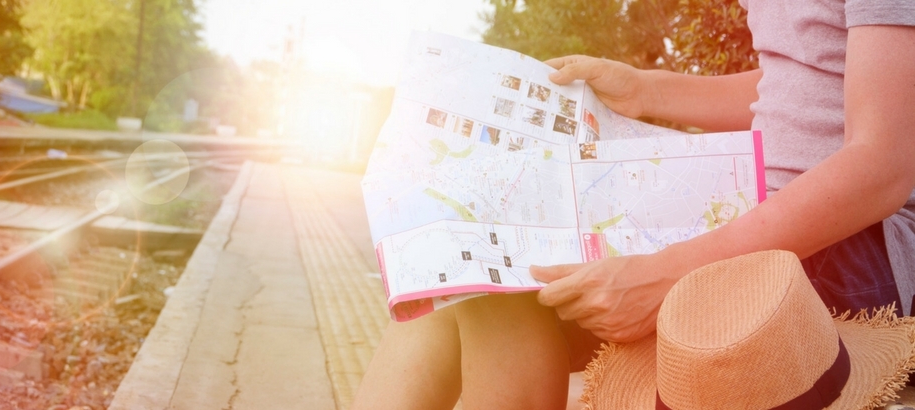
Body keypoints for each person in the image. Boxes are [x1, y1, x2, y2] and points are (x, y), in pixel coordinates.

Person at [353, 0, 915, 408]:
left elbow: (884, 167)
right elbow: (803, 78)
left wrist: (667, 275)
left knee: (509, 296)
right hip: (753, 207)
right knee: (452, 285)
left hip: (844, 245)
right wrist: (648, 90)